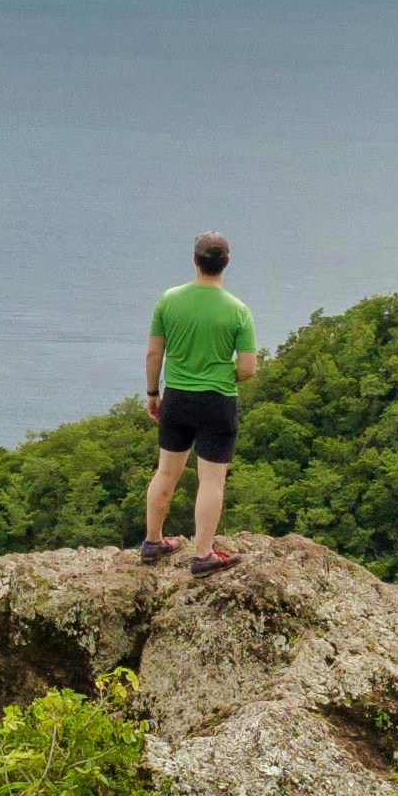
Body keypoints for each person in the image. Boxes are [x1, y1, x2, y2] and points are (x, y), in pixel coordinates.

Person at [140, 231, 261, 574]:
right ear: (226, 263)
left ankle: (152, 542)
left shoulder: (169, 300)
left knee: (166, 471)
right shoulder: (238, 311)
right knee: (210, 480)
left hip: (176, 398)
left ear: (195, 260)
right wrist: (223, 378)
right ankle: (203, 554)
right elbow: (249, 369)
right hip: (217, 402)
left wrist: (153, 393)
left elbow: (153, 352)